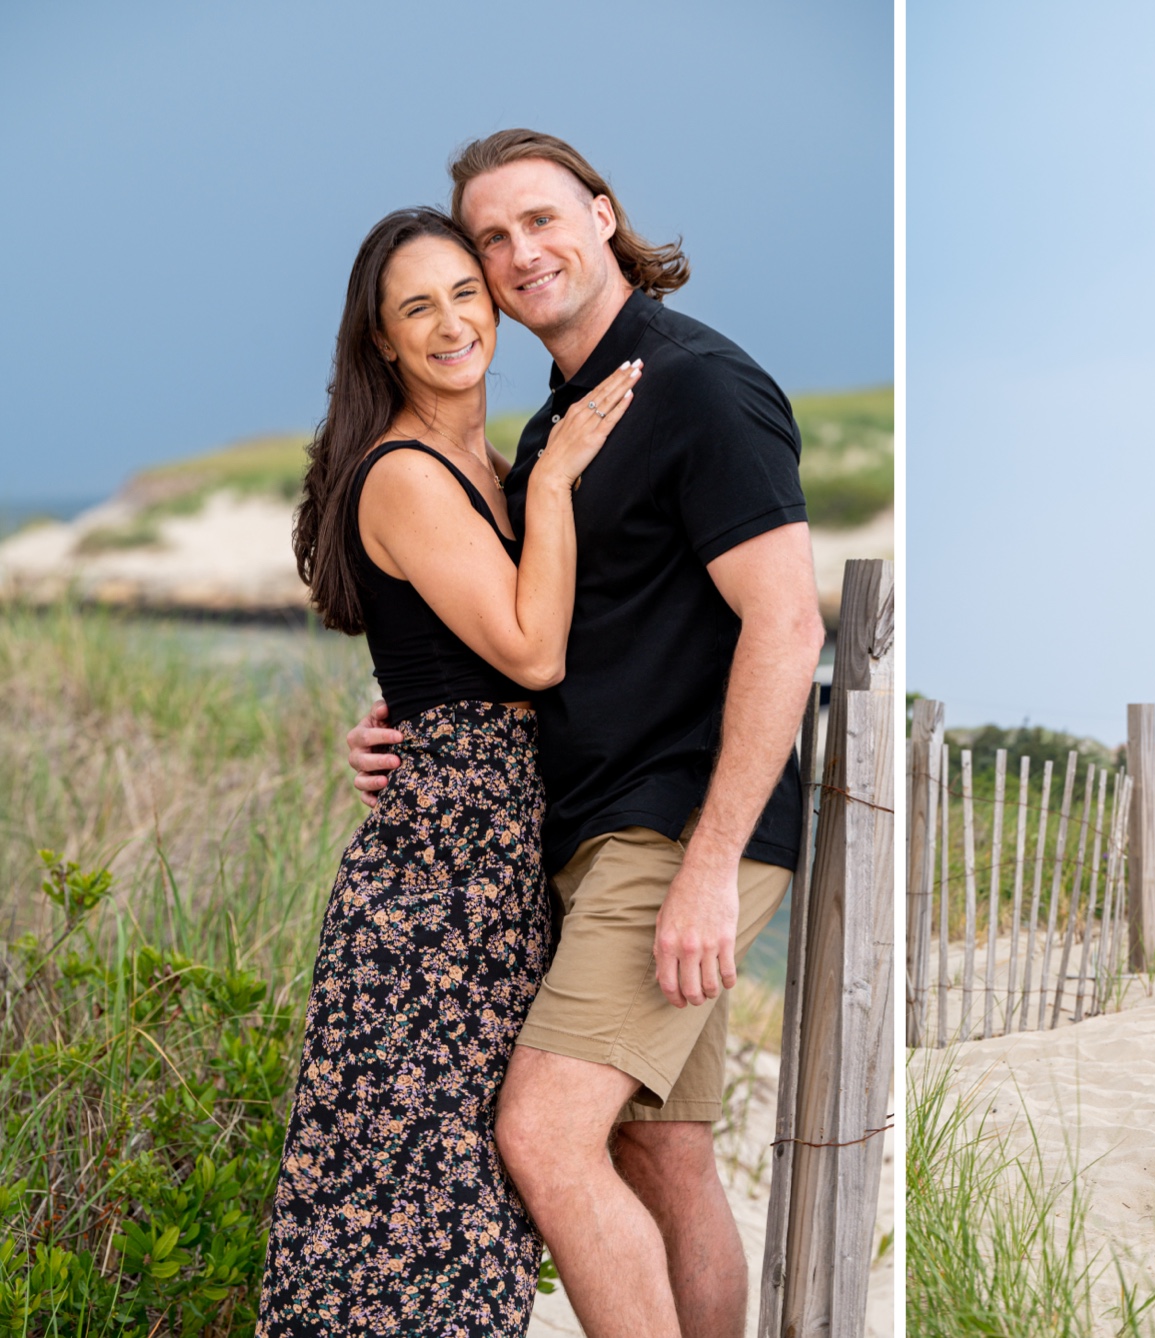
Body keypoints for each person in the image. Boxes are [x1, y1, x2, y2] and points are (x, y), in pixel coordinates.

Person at [345, 131, 823, 1338]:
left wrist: (710, 865)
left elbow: (786, 624)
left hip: (677, 826)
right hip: (591, 826)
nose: (518, 255)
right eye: (491, 239)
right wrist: (418, 721)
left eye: (543, 220)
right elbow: (535, 632)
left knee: (542, 1140)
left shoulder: (696, 385)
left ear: (604, 216)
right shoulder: (561, 416)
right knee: (664, 1155)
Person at [260, 207, 640, 1335]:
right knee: (417, 1231)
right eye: (414, 308)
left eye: (463, 293)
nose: (450, 322)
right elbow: (530, 649)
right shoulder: (410, 474)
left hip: (492, 878)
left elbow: (454, 659)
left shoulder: (486, 458)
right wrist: (561, 485)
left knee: (467, 1222)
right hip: (432, 905)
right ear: (381, 342)